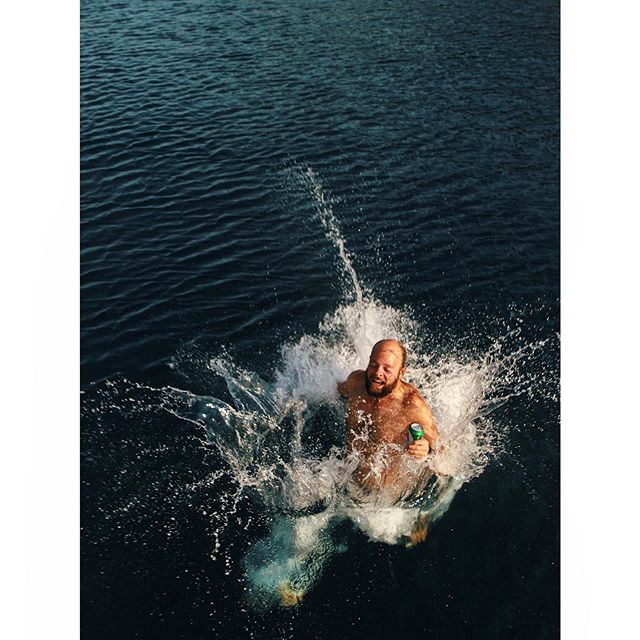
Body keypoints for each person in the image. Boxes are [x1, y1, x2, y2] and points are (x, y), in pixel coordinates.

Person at [337, 339, 438, 544]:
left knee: (397, 539)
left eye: (387, 368)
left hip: (383, 501)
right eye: (374, 364)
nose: (377, 373)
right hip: (345, 481)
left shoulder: (412, 406)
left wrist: (425, 449)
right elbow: (338, 391)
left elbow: (440, 449)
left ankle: (425, 514)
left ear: (402, 372)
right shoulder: (356, 382)